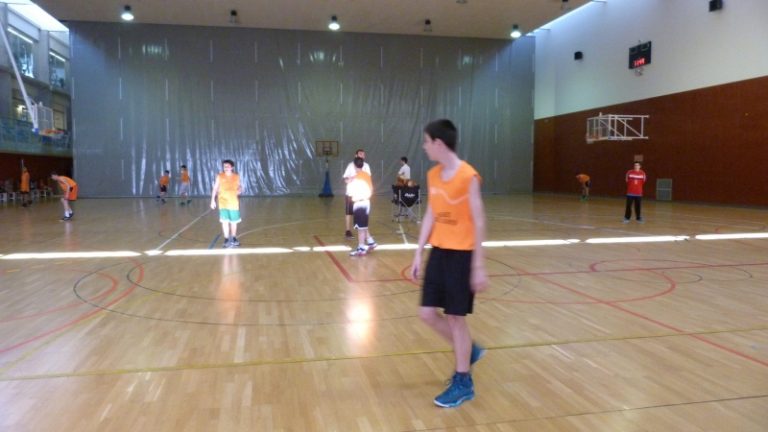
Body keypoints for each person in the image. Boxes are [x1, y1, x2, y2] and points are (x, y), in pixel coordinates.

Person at [410, 119, 488, 408]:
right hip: (439, 252)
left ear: (439, 143)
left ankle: (463, 382)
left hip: (462, 256)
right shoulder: (433, 175)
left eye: (427, 141)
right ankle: (468, 350)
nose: (424, 147)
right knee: (427, 313)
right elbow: (431, 213)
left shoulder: (468, 176)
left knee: (455, 318)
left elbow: (479, 221)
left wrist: (478, 266)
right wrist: (418, 252)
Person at [348, 156, 378, 256]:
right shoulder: (366, 175)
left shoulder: (355, 178)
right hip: (366, 202)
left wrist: (350, 182)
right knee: (363, 225)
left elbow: (350, 192)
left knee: (360, 228)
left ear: (354, 165)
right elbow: (371, 189)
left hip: (359, 203)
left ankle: (361, 248)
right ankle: (371, 242)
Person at [210, 159, 242, 248]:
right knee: (225, 222)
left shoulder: (236, 176)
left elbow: (239, 186)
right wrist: (212, 200)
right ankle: (226, 239)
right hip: (223, 203)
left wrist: (240, 189)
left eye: (228, 166)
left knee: (234, 222)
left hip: (233, 203)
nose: (226, 168)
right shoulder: (220, 176)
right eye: (224, 166)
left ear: (232, 167)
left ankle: (234, 238)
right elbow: (215, 188)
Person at [343, 149, 371, 239]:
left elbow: (368, 178)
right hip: (351, 194)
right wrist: (349, 179)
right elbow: (345, 178)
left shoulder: (366, 166)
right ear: (356, 155)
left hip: (362, 195)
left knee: (363, 215)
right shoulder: (350, 165)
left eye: (363, 154)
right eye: (360, 154)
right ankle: (348, 231)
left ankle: (366, 236)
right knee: (348, 212)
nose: (362, 155)